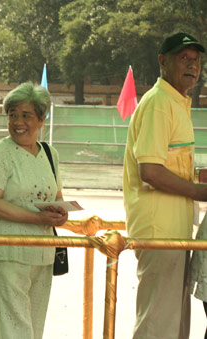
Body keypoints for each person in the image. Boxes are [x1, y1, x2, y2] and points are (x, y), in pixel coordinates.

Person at [123, 32, 206, 339]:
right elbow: (151, 171)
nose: (192, 65)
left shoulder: (177, 102)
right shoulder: (159, 102)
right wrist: (201, 192)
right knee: (158, 324)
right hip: (160, 233)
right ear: (163, 61)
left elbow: (172, 164)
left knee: (172, 324)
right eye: (184, 58)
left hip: (175, 232)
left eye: (196, 60)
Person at [0, 82, 68, 339]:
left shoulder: (50, 153)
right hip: (8, 252)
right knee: (14, 330)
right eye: (12, 115)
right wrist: (37, 218)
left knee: (33, 329)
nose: (18, 122)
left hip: (42, 254)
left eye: (26, 115)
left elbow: (57, 196)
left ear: (41, 119)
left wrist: (61, 214)